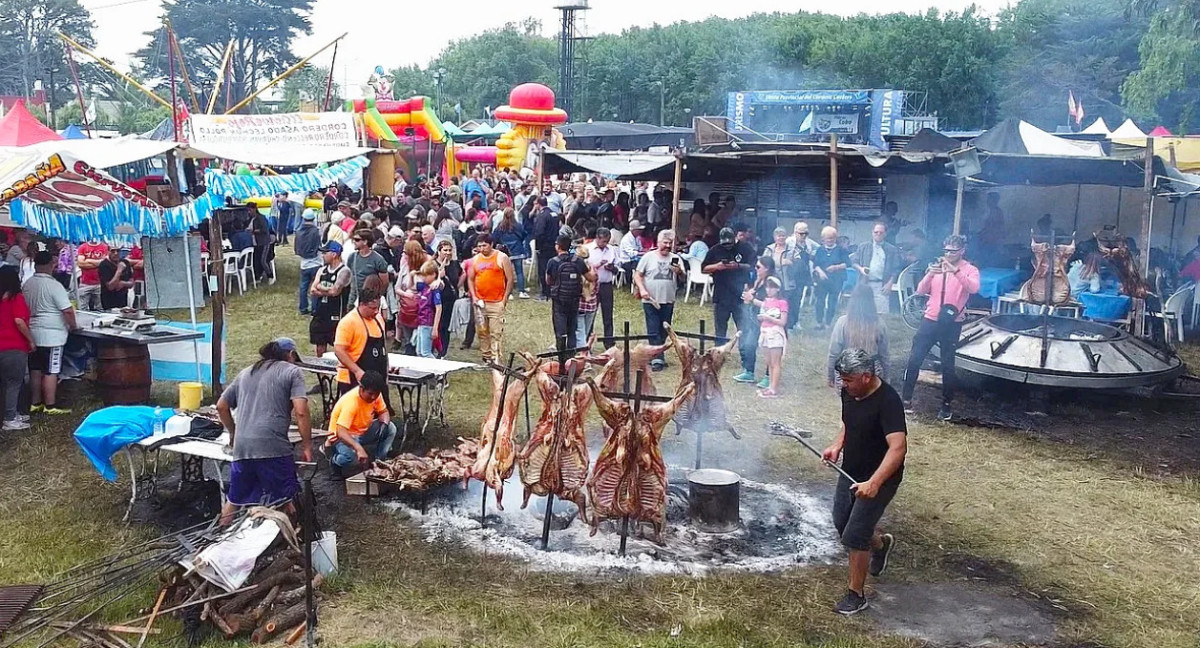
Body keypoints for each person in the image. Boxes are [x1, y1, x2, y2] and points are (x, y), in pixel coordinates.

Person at [822, 348, 907, 616]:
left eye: (847, 380)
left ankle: (856, 595)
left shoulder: (888, 401)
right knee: (841, 522)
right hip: (851, 471)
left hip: (881, 477)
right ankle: (880, 545)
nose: (842, 385)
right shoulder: (851, 392)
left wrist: (874, 482)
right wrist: (837, 445)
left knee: (855, 534)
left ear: (867, 376)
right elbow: (849, 423)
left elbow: (898, 448)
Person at [216, 338, 312, 524]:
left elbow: (221, 406)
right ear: (291, 355)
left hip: (243, 449)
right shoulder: (292, 372)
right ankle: (291, 543)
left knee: (234, 500)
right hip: (273, 447)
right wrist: (307, 445)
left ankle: (218, 539)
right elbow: (301, 411)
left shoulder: (246, 372)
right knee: (285, 500)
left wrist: (234, 434)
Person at [900, 235, 980, 421]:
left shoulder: (970, 270)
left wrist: (956, 271)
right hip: (930, 319)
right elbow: (920, 291)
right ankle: (906, 400)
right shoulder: (937, 267)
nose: (949, 254)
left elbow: (974, 288)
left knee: (947, 364)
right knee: (914, 359)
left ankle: (946, 405)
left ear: (962, 251)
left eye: (953, 251)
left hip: (952, 323)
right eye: (946, 250)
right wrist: (930, 273)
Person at [23, 251, 77, 415]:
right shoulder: (54, 285)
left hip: (32, 331)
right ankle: (50, 405)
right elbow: (67, 310)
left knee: (36, 370)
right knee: (51, 371)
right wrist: (73, 326)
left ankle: (35, 402)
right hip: (52, 334)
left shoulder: (28, 284)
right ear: (50, 265)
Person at [324, 370, 395, 478]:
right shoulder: (351, 403)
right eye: (370, 394)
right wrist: (359, 448)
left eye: (376, 394)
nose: (373, 397)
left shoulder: (376, 395)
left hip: (363, 431)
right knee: (351, 459)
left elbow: (383, 412)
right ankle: (334, 461)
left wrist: (384, 424)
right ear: (361, 388)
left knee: (391, 428)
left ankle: (379, 462)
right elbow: (340, 431)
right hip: (342, 437)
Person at [333, 285, 391, 411]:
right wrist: (357, 371)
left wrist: (387, 369)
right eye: (372, 308)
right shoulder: (348, 322)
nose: (376, 311)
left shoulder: (378, 319)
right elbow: (339, 350)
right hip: (354, 379)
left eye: (378, 308)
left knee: (379, 413)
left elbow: (382, 348)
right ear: (362, 304)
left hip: (377, 378)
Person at [634, 229, 683, 371]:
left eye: (670, 243)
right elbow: (638, 275)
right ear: (658, 242)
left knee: (664, 329)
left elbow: (683, 278)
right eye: (665, 243)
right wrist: (642, 290)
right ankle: (657, 358)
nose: (667, 245)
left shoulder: (676, 259)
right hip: (650, 299)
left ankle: (655, 354)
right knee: (653, 328)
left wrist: (679, 271)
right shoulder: (648, 257)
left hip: (668, 299)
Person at [828, 283, 891, 388]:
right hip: (871, 374)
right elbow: (884, 355)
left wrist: (830, 376)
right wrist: (887, 377)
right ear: (871, 301)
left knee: (850, 403)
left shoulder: (842, 322)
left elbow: (833, 353)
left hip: (847, 372)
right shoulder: (880, 324)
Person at [467, 234, 515, 364]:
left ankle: (496, 358)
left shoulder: (501, 257)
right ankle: (486, 357)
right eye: (479, 246)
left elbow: (510, 279)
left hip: (496, 301)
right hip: (480, 302)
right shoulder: (475, 260)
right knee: (482, 331)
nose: (482, 248)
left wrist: (504, 299)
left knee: (496, 332)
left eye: (484, 245)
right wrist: (474, 296)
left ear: (491, 244)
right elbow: (470, 278)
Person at [702, 227, 754, 345]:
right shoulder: (715, 250)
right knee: (720, 329)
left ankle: (744, 352)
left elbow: (753, 266)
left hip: (740, 294)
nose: (727, 246)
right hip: (721, 294)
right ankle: (719, 352)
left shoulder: (745, 248)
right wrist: (717, 266)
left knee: (743, 328)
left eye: (730, 243)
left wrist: (738, 266)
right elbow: (704, 268)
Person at [0, 266, 33, 430]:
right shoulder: (17, 298)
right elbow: (19, 321)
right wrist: (31, 340)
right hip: (14, 345)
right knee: (14, 382)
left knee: (5, 383)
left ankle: (10, 413)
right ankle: (10, 418)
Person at [734, 256, 775, 386]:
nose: (756, 269)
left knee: (768, 349)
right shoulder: (760, 280)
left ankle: (769, 377)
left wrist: (752, 299)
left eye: (758, 267)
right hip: (755, 319)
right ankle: (749, 372)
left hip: (769, 321)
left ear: (767, 268)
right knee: (749, 344)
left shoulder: (772, 282)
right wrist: (749, 295)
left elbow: (772, 305)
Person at [546, 235, 592, 349]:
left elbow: (548, 280)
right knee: (572, 328)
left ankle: (561, 356)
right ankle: (571, 355)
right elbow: (591, 278)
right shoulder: (578, 261)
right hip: (574, 298)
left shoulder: (553, 262)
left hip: (559, 300)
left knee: (560, 329)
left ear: (558, 246)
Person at [309, 242, 351, 357]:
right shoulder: (322, 270)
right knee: (319, 344)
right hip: (320, 313)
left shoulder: (344, 271)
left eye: (325, 252)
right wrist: (325, 290)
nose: (322, 255)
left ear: (334, 254)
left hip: (336, 314)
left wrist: (320, 288)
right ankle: (322, 371)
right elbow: (313, 289)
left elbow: (335, 292)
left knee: (339, 346)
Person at [852, 222, 903, 316]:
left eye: (881, 232)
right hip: (864, 284)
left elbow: (896, 269)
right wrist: (861, 269)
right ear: (872, 232)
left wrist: (890, 283)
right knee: (863, 313)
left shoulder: (891, 249)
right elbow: (854, 262)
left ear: (885, 234)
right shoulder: (863, 246)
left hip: (882, 286)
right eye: (876, 232)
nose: (878, 234)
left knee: (881, 315)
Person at [751, 276, 788, 398]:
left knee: (775, 362)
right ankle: (770, 386)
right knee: (769, 362)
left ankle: (774, 388)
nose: (769, 289)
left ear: (778, 289)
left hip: (775, 333)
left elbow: (782, 321)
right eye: (767, 287)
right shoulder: (766, 302)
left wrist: (768, 318)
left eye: (772, 287)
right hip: (765, 331)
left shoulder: (782, 303)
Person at [584, 228, 618, 348]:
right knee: (590, 314)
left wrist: (611, 268)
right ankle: (586, 341)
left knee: (607, 314)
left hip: (606, 284)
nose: (605, 244)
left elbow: (617, 269)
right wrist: (597, 266)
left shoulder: (612, 250)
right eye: (603, 241)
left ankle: (609, 342)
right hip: (592, 284)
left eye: (607, 241)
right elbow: (583, 268)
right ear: (597, 238)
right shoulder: (587, 249)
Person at [813, 226, 851, 330]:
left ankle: (828, 323)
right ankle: (819, 322)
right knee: (819, 301)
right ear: (823, 239)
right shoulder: (820, 250)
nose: (830, 240)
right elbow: (815, 264)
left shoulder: (841, 250)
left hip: (836, 279)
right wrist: (820, 272)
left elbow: (848, 263)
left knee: (832, 302)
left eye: (832, 238)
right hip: (822, 280)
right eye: (828, 238)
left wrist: (835, 267)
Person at [763, 227, 798, 327]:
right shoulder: (769, 249)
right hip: (772, 281)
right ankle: (772, 322)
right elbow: (763, 262)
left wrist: (790, 262)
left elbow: (799, 264)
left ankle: (789, 325)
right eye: (779, 236)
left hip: (787, 282)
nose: (781, 238)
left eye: (783, 235)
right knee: (773, 303)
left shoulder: (792, 250)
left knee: (786, 304)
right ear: (774, 237)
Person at [492, 207, 530, 299]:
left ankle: (509, 293)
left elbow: (494, 237)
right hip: (518, 250)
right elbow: (524, 235)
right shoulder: (518, 226)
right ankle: (521, 291)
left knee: (506, 273)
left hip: (506, 252)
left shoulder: (500, 226)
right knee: (519, 272)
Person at [408, 261, 443, 358]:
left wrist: (435, 328)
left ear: (433, 275)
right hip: (420, 322)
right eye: (423, 275)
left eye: (426, 275)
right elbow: (411, 286)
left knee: (425, 353)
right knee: (419, 351)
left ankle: (437, 370)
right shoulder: (423, 286)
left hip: (428, 323)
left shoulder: (435, 289)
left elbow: (439, 308)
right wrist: (411, 276)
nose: (423, 278)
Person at [433, 240, 461, 358]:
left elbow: (461, 274)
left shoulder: (454, 264)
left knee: (445, 326)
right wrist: (440, 275)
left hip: (450, 300)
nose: (448, 253)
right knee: (436, 325)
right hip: (436, 299)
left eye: (450, 250)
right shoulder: (433, 264)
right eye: (445, 250)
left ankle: (442, 351)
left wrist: (458, 287)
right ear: (439, 251)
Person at [346, 229, 390, 302]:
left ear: (365, 242)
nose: (353, 242)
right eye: (353, 239)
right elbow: (351, 275)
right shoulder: (352, 257)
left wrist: (377, 297)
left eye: (357, 240)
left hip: (370, 300)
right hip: (354, 298)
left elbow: (385, 282)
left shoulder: (378, 260)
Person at [529, 197, 559, 300]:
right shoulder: (554, 214)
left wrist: (538, 246)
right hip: (553, 245)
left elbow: (539, 232)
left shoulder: (542, 216)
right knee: (552, 268)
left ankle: (545, 292)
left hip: (544, 247)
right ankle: (552, 289)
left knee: (543, 269)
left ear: (538, 204)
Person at [75, 239, 108, 310]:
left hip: (99, 283)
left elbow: (105, 263)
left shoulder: (104, 247)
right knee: (82, 308)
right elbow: (80, 263)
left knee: (100, 308)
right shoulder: (83, 247)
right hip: (85, 283)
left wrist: (88, 260)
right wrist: (98, 263)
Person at [251, 205, 274, 282]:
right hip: (257, 243)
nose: (249, 212)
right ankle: (258, 276)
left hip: (264, 242)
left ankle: (270, 276)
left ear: (254, 209)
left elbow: (264, 229)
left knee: (263, 260)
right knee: (257, 260)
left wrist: (254, 231)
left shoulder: (261, 218)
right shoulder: (252, 219)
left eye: (250, 210)